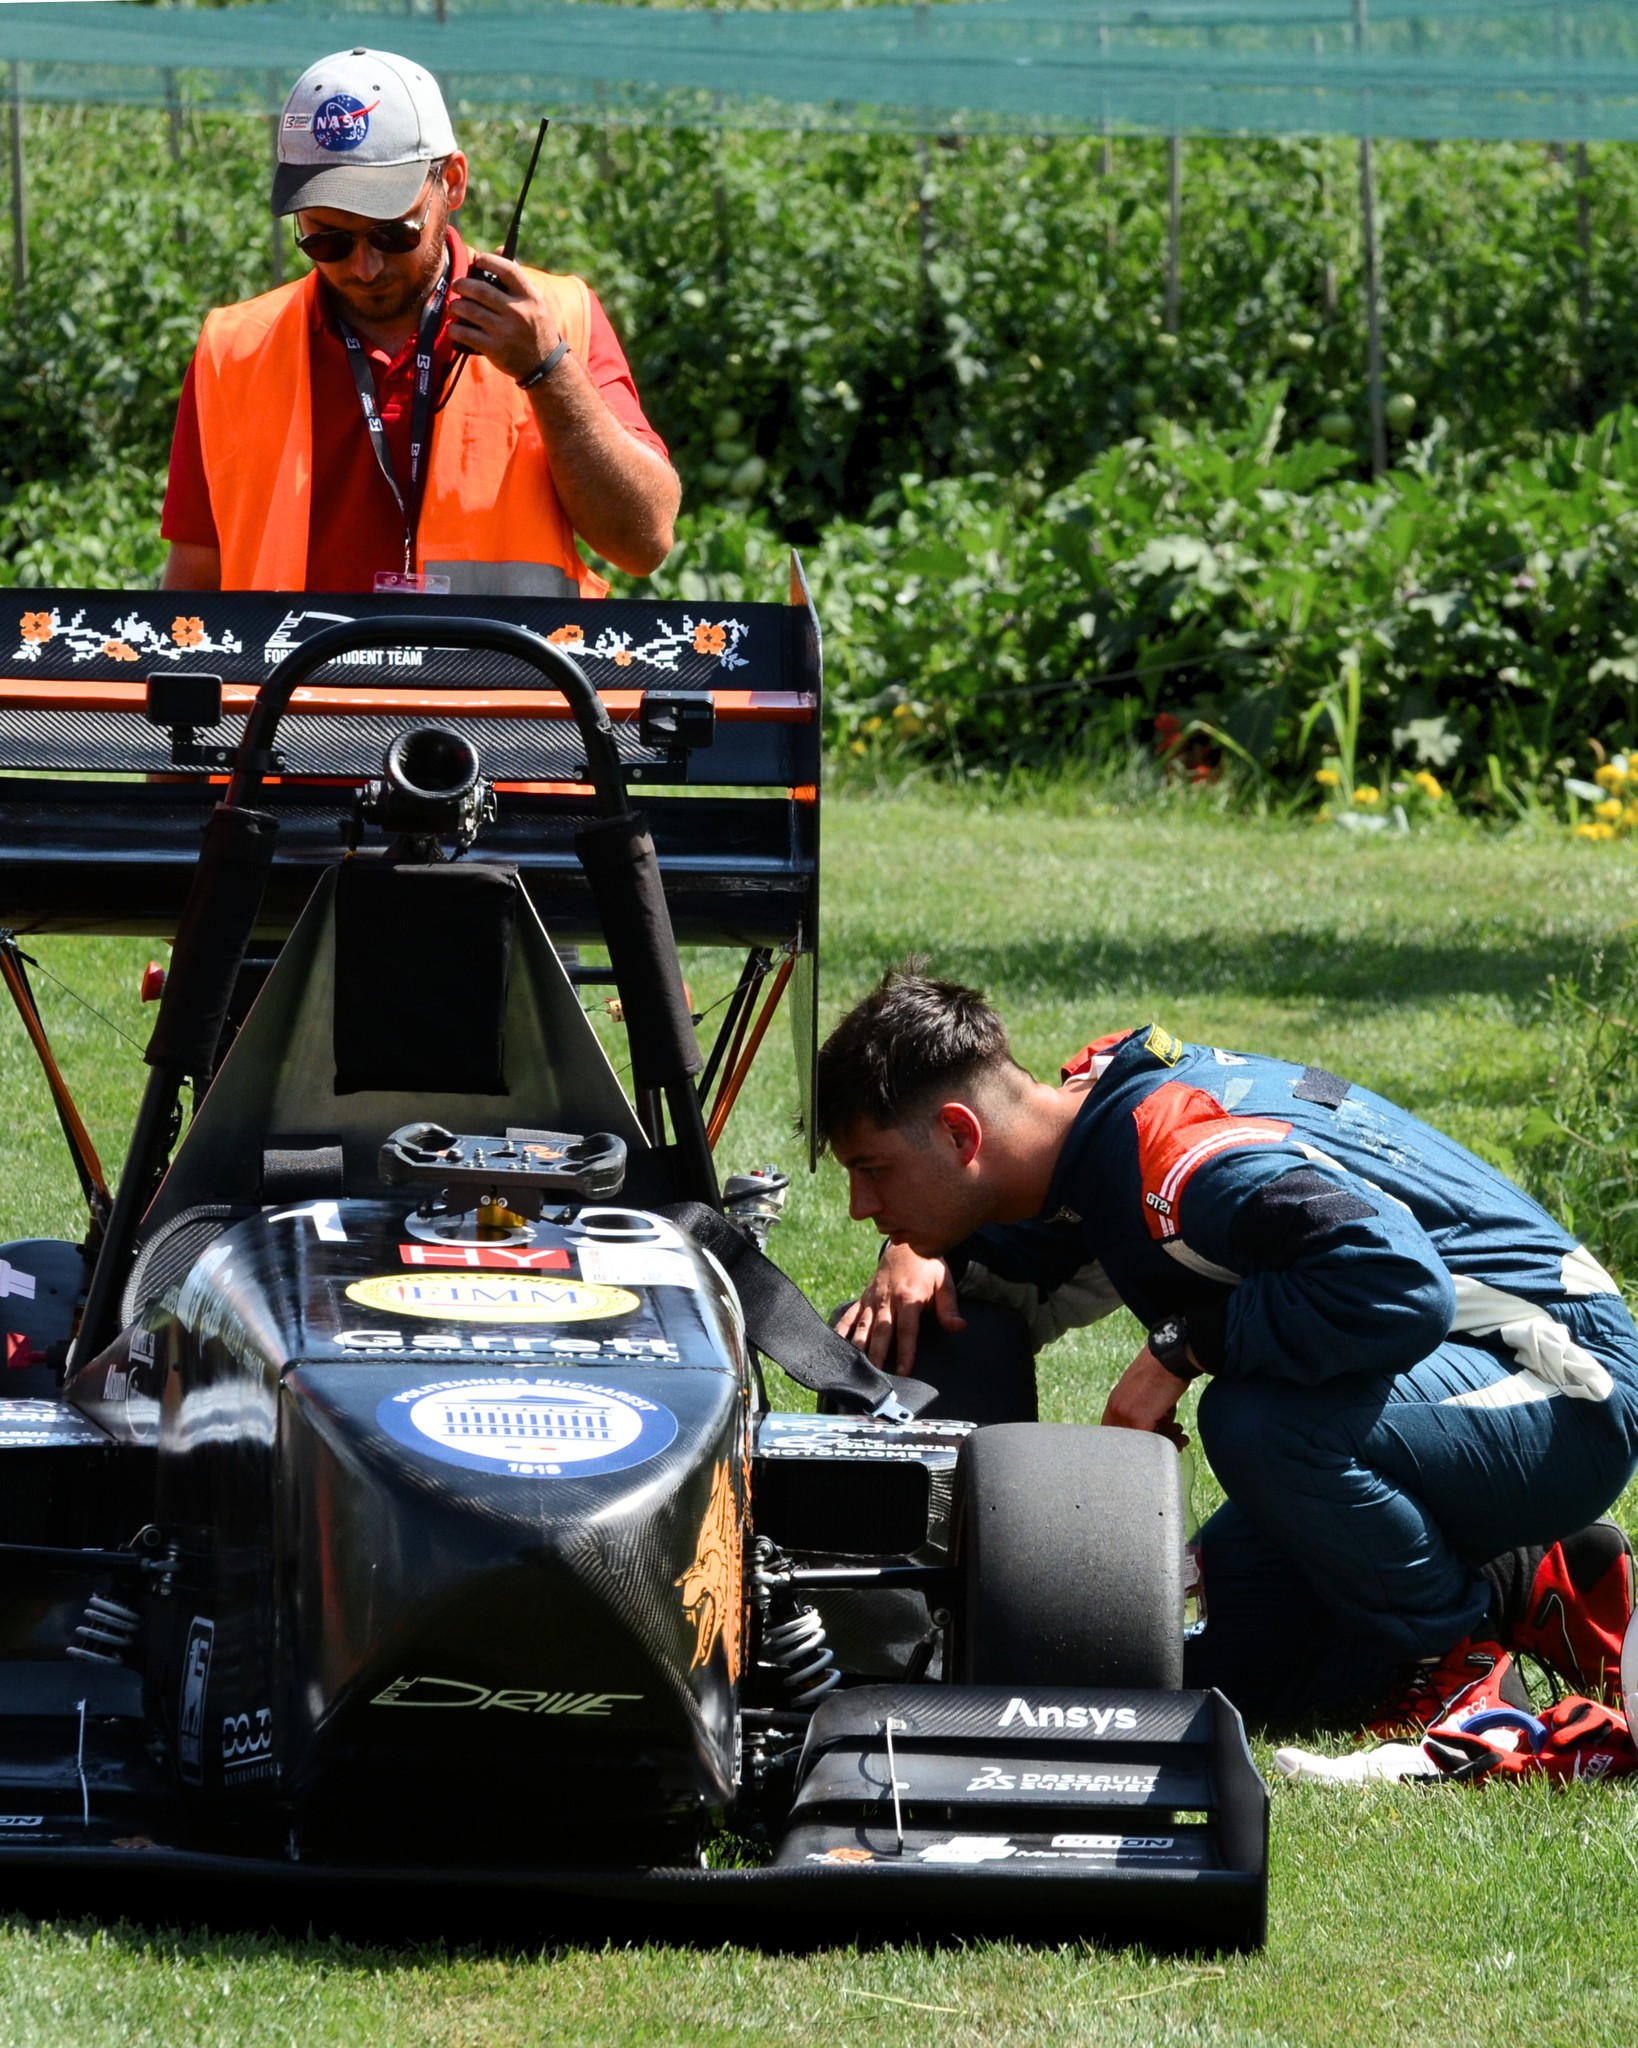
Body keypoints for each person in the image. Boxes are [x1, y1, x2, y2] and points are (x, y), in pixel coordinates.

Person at [817, 966, 1638, 1728]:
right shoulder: (1083, 1124)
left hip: (1568, 1382)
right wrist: (917, 1252)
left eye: (875, 1170)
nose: (859, 1205)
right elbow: (1025, 1261)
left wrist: (1180, 1348)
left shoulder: (1176, 1155)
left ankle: (1459, 1665)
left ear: (961, 1134)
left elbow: (1396, 1286)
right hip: (1460, 1381)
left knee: (1257, 1422)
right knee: (1204, 1662)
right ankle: (1527, 1578)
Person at [161, 48, 678, 597]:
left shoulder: (558, 319)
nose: (364, 267)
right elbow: (193, 586)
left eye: (393, 233)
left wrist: (546, 370)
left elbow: (643, 543)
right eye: (327, 240)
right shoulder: (234, 348)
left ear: (451, 183)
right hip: (293, 683)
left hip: (508, 682)